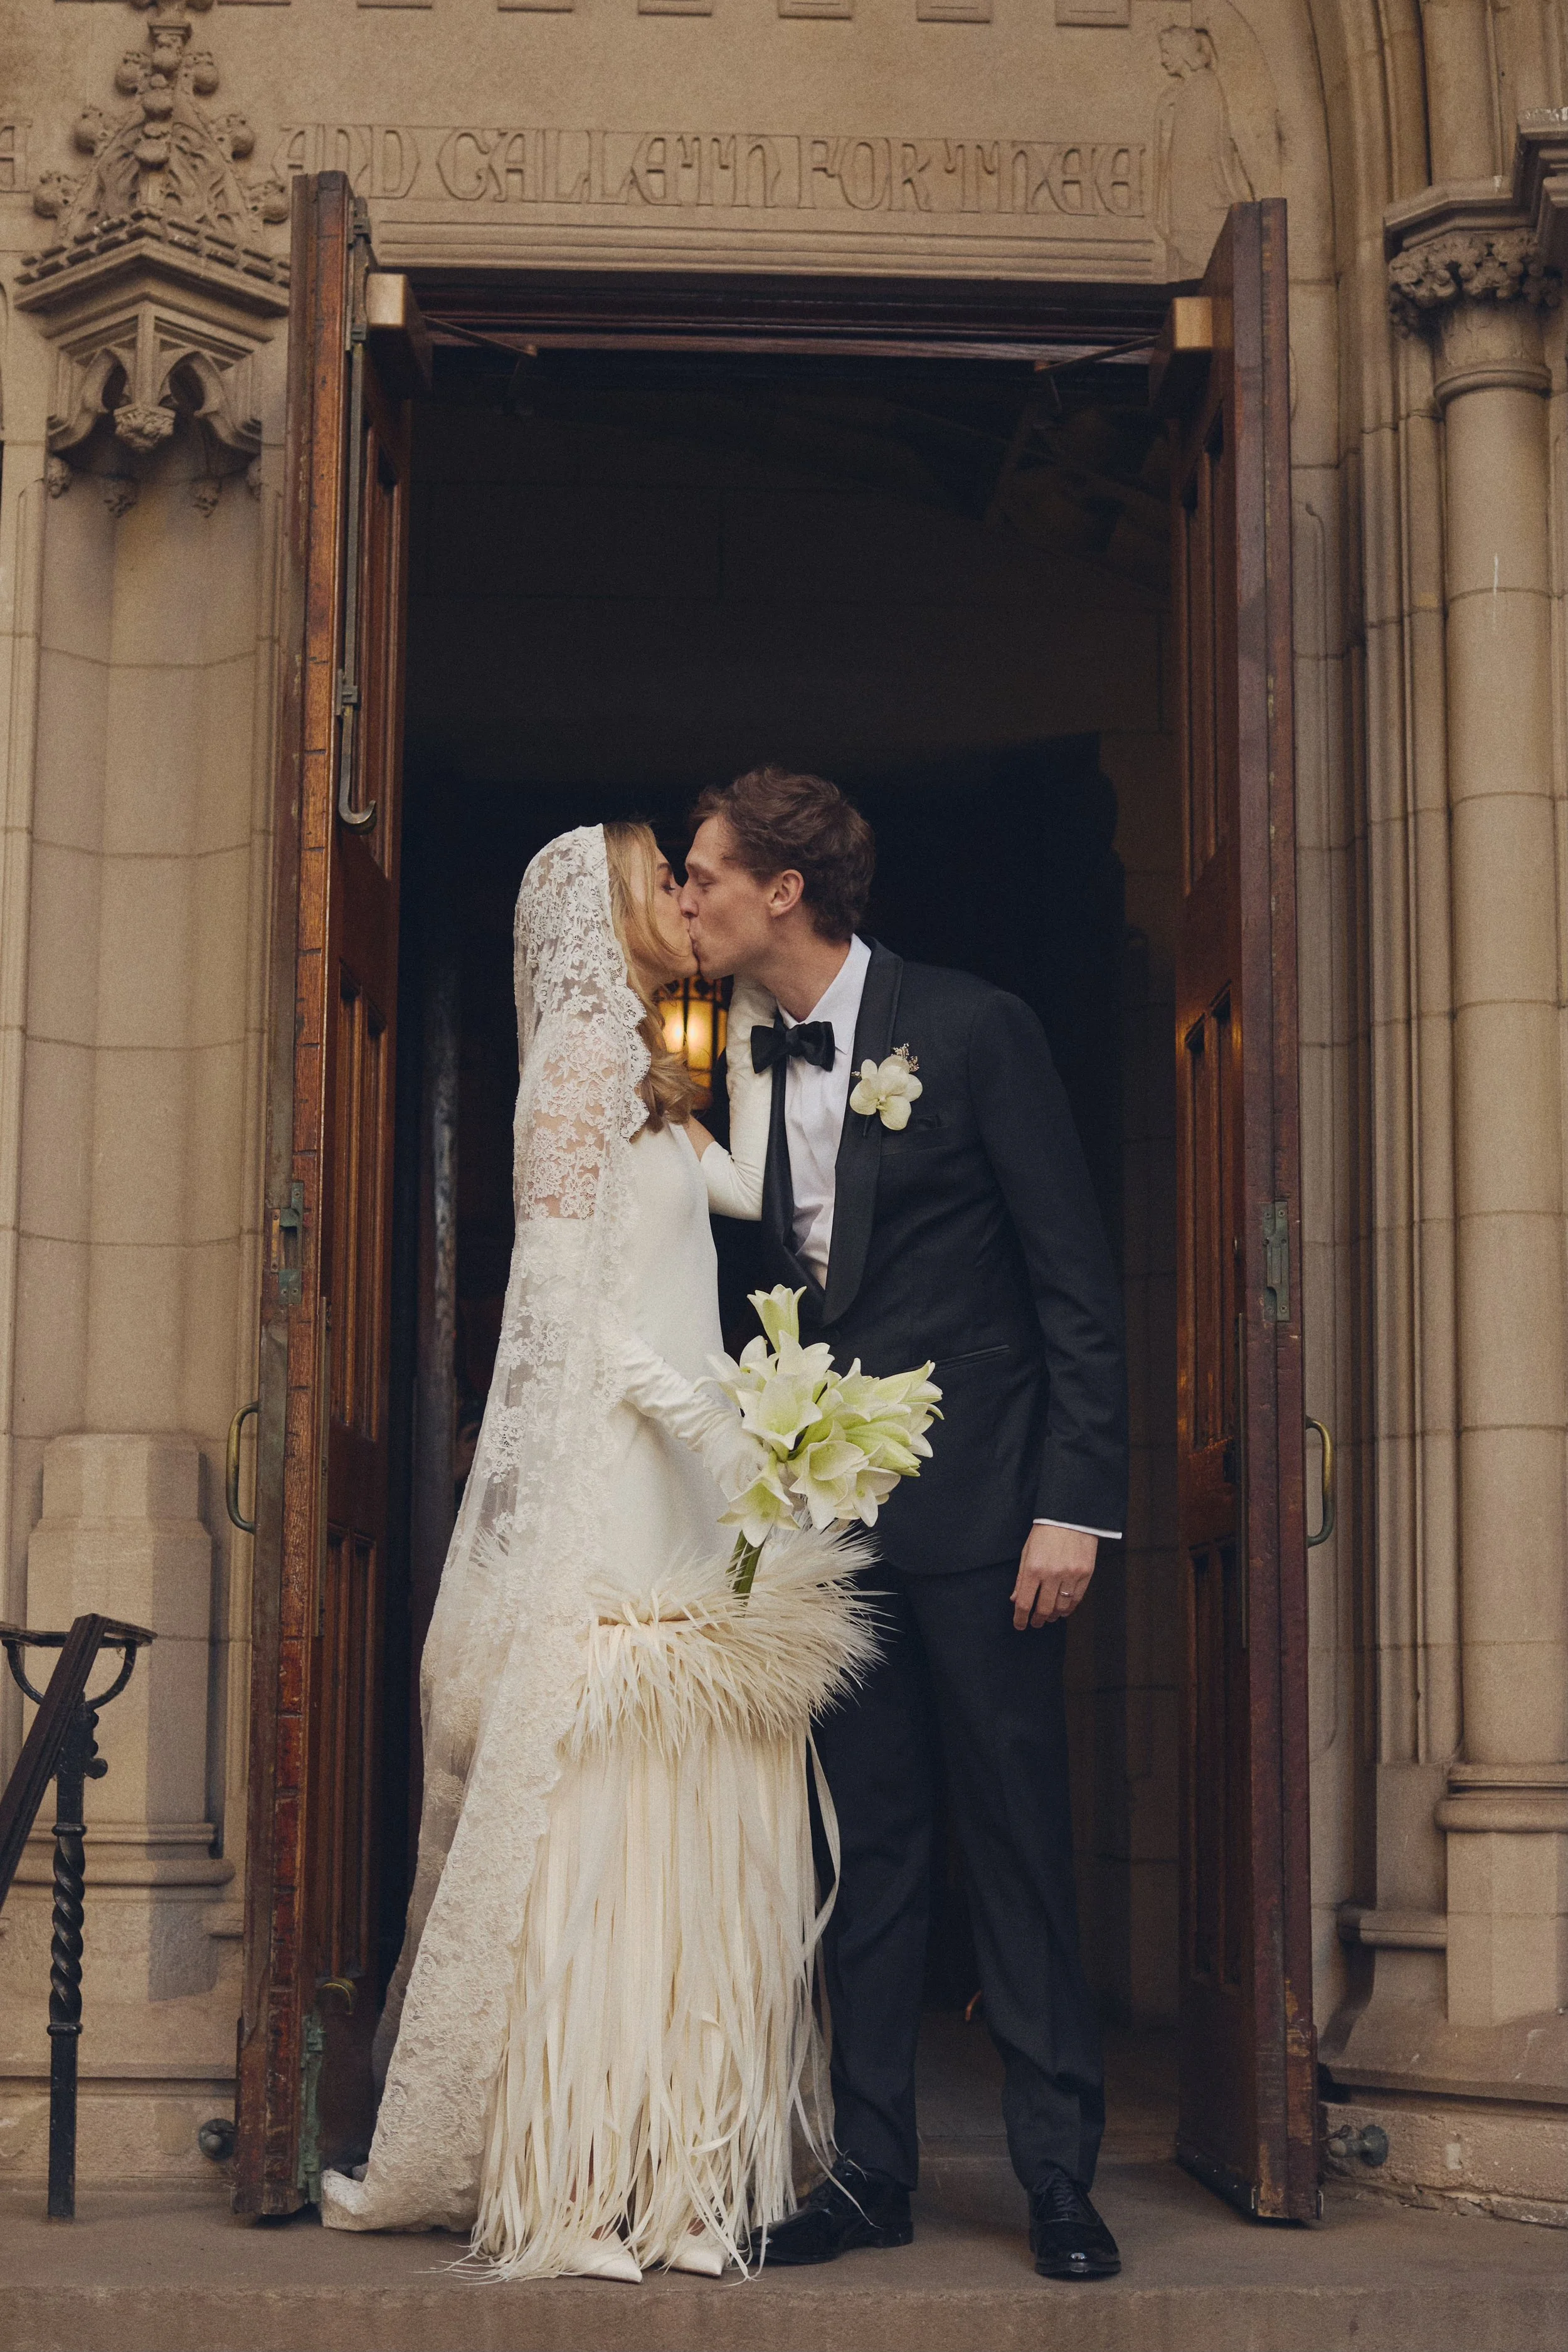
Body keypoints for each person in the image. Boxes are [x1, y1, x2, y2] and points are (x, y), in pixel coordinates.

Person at [320, 822, 874, 2279]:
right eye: (668, 880)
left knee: (689, 1817)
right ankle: (560, 2188)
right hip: (627, 1468)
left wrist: (749, 1028)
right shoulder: (571, 1072)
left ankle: (674, 2179)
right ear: (615, 911)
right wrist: (707, 1426)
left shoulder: (664, 1069)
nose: (691, 897)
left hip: (696, 1478)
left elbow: (743, 1199)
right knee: (595, 1823)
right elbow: (567, 1309)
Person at [689, 766, 1129, 2282]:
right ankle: (868, 2171)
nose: (688, 898)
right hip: (823, 1532)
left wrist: (1071, 1505)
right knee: (863, 1853)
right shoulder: (722, 1062)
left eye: (705, 874)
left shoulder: (972, 1027)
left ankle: (1058, 2178)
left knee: (1014, 1843)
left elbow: (1072, 1278)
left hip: (994, 1517)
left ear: (782, 891)